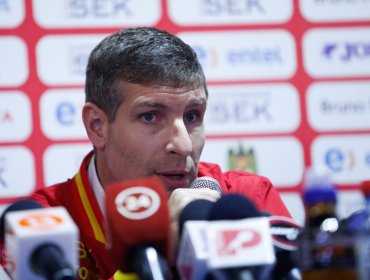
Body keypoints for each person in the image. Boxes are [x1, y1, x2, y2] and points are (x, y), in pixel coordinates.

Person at [4, 27, 291, 279]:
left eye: (192, 116)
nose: (184, 145)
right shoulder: (35, 230)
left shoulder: (246, 200)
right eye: (151, 116)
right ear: (97, 126)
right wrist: (158, 255)